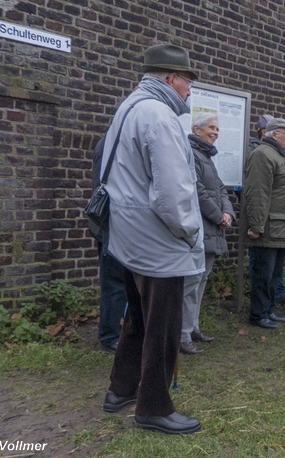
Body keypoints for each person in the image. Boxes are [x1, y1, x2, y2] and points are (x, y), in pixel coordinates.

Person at [100, 44, 202, 434]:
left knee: (138, 319)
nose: (190, 90)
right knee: (162, 325)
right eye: (187, 81)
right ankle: (154, 407)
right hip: (158, 240)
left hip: (130, 235)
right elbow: (172, 193)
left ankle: (121, 390)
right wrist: (190, 232)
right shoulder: (159, 117)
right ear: (170, 78)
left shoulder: (129, 108)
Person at [179, 113, 236, 355]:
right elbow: (197, 191)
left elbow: (220, 188)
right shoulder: (190, 153)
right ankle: (181, 335)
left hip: (213, 229)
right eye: (211, 127)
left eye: (217, 128)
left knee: (201, 281)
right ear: (197, 129)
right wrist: (217, 216)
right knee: (190, 283)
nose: (216, 132)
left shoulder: (207, 156)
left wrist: (227, 212)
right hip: (200, 228)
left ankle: (193, 327)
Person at [244, 118, 285, 329]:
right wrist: (257, 226)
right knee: (262, 275)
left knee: (274, 275)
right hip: (268, 227)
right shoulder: (262, 155)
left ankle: (268, 310)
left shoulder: (280, 156)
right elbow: (257, 193)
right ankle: (258, 314)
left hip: (280, 226)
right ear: (274, 134)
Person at [89, 135, 127, 354]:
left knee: (118, 281)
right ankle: (109, 336)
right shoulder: (113, 143)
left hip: (113, 223)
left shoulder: (112, 141)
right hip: (112, 223)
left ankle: (114, 331)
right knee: (114, 282)